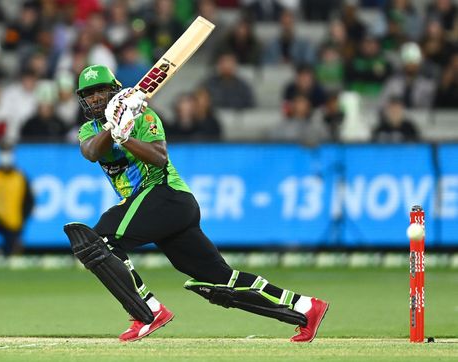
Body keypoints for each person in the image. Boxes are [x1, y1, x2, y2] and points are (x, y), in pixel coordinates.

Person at [65, 64, 329, 343]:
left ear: (115, 92)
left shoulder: (143, 117)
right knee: (219, 278)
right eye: (89, 94)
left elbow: (159, 158)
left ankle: (148, 312)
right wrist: (113, 127)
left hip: (167, 196)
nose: (94, 98)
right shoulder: (89, 130)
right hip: (157, 208)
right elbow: (92, 152)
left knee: (101, 238)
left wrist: (125, 137)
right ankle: (306, 307)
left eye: (100, 91)